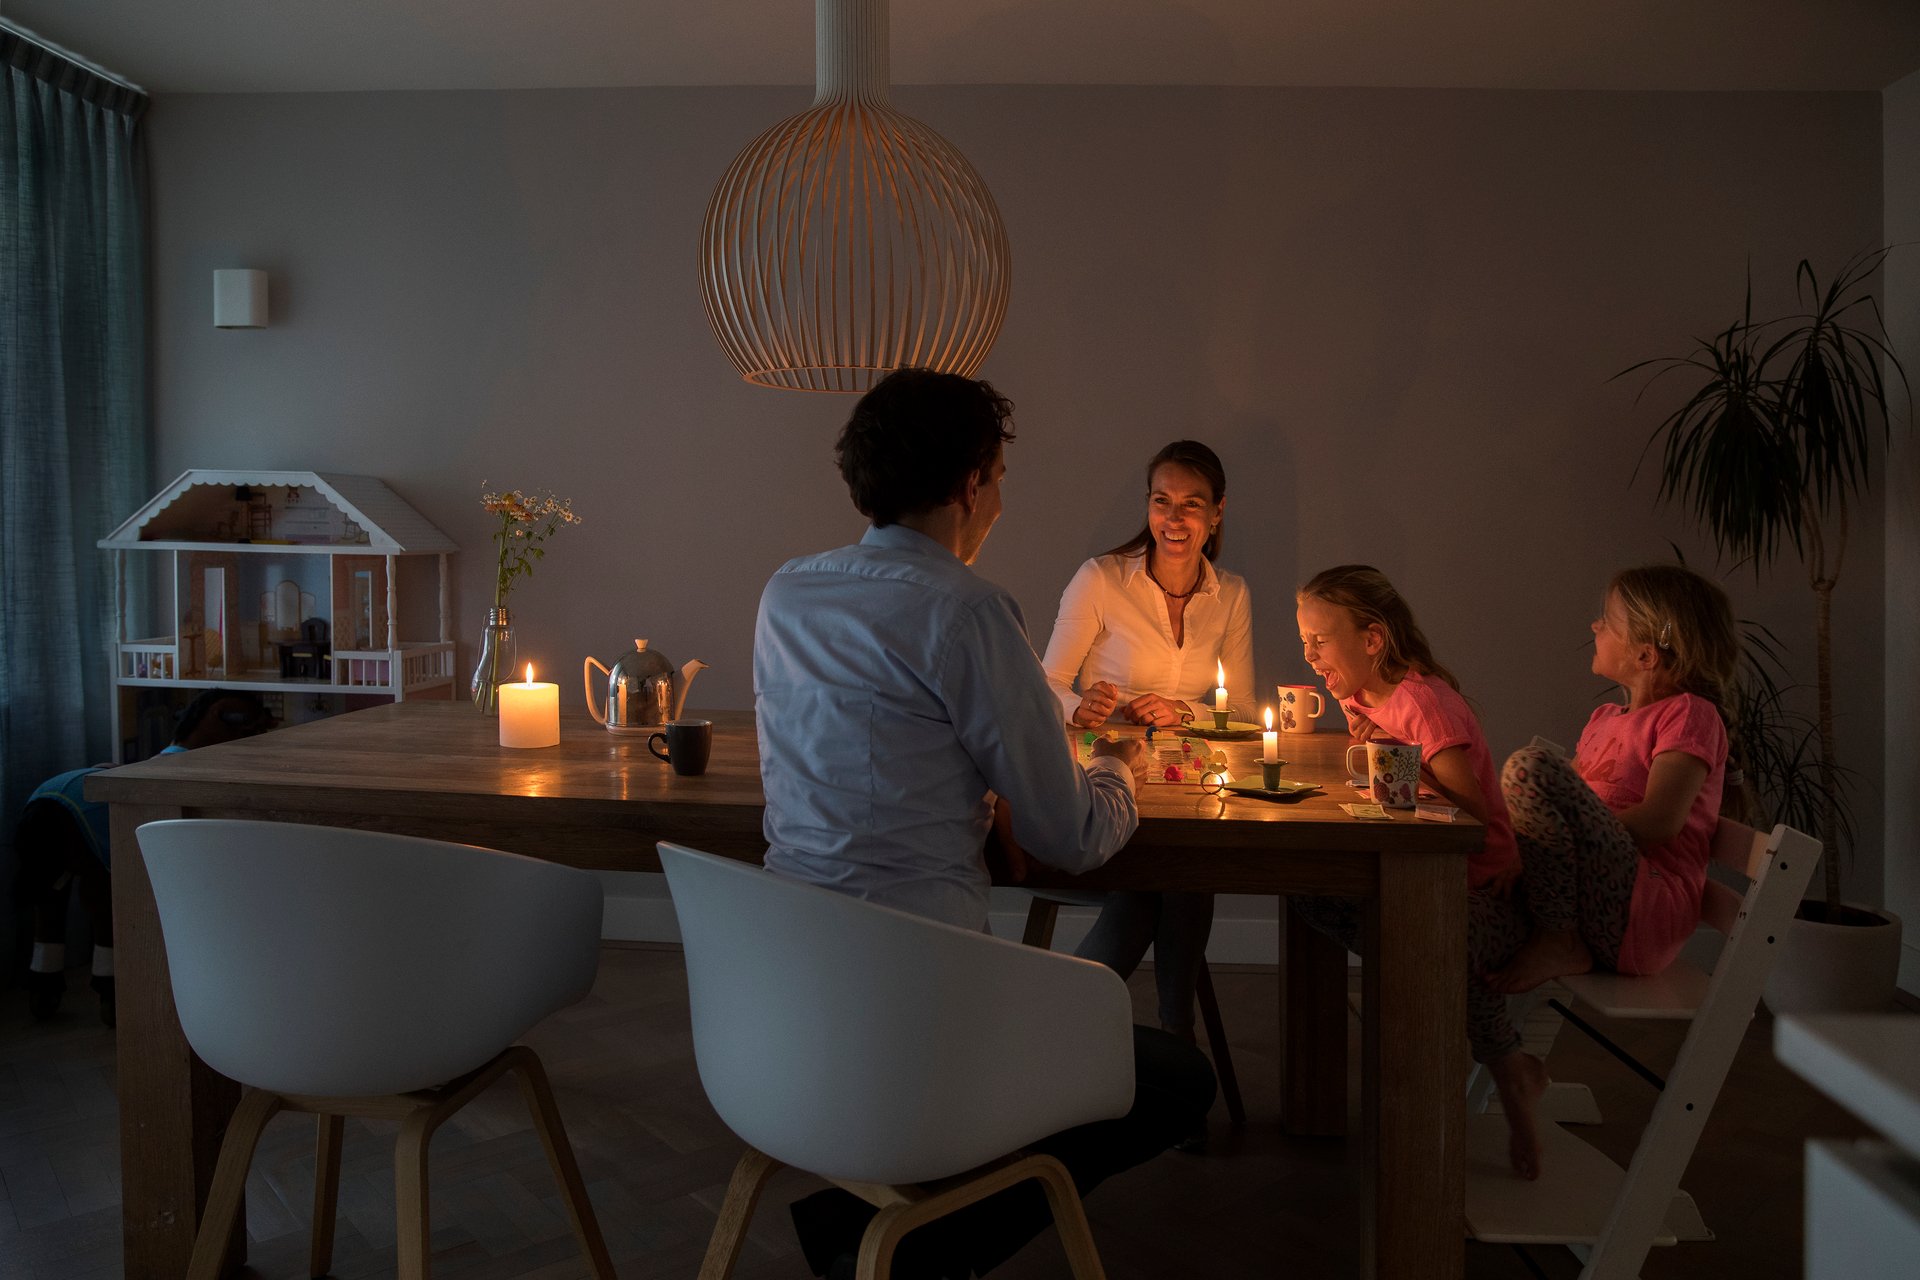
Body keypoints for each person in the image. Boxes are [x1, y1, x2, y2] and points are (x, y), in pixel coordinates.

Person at [755, 368, 1217, 1280]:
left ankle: (877, 1233)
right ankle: (909, 1249)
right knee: (1177, 1083)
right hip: (919, 1011)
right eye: (999, 475)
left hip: (783, 1014)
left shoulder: (788, 593)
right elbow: (1074, 833)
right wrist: (1117, 765)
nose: (1001, 498)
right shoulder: (966, 609)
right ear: (971, 482)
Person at [1486, 564, 1738, 1177]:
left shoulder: (1689, 717)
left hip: (1643, 909)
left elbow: (1659, 822)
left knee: (1526, 768)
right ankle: (1510, 1068)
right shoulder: (1604, 722)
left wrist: (1560, 821)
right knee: (1468, 922)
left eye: (1609, 619)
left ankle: (1557, 938)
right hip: (1593, 904)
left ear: (1647, 653)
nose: (1595, 625)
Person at [1289, 565, 1537, 1167]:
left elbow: (1473, 814)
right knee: (1305, 890)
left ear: (1372, 639)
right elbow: (1373, 759)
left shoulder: (1424, 704)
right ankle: (1408, 988)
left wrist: (1404, 766)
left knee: (1432, 938)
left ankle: (1489, 1073)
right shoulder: (1361, 691)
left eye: (1320, 639)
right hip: (1419, 873)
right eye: (1304, 640)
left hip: (1482, 887)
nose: (1308, 653)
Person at [1038, 441, 1252, 1045]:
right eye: (1162, 501)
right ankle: (1173, 1036)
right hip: (1104, 773)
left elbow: (1236, 707)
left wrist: (1183, 709)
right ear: (1148, 506)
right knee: (1178, 875)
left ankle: (1084, 1028)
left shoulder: (1231, 593)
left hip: (1188, 783)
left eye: (1191, 504)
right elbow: (1046, 684)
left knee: (1181, 869)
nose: (1174, 519)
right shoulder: (1102, 579)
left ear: (1217, 513)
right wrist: (1082, 704)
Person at [16, 688, 276, 1024]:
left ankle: (43, 983)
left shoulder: (154, 763)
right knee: (107, 902)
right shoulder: (180, 774)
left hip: (47, 795)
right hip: (82, 812)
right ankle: (111, 993)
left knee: (49, 902)